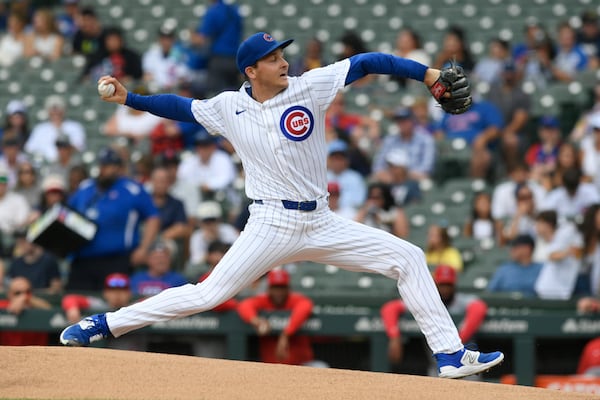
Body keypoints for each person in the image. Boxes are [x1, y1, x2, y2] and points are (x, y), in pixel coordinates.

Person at [60, 31, 503, 379]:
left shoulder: (310, 87)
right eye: (273, 59)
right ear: (252, 70)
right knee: (207, 294)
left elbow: (369, 62)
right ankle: (104, 324)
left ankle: (449, 354)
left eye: (283, 54)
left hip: (322, 220)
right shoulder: (228, 106)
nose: (284, 62)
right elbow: (180, 106)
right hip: (270, 222)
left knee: (409, 257)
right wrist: (129, 98)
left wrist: (428, 75)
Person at [66, 147, 160, 290]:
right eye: (102, 165)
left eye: (109, 165)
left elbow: (153, 217)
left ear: (119, 168)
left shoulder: (131, 189)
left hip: (116, 259)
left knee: (113, 306)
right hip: (82, 259)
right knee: (77, 300)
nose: (104, 170)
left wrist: (144, 248)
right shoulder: (86, 187)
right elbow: (66, 212)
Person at [381, 265, 487, 366]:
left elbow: (479, 307)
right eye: (442, 285)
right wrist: (395, 337)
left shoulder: (460, 300)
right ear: (435, 285)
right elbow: (390, 308)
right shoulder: (427, 302)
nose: (445, 289)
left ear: (454, 285)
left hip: (467, 364)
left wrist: (458, 341)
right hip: (436, 368)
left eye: (448, 285)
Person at [237, 269, 323, 366]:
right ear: (269, 289)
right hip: (271, 367)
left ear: (288, 288)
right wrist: (257, 321)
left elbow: (306, 306)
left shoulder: (295, 300)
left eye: (282, 287)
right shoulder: (264, 301)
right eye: (275, 288)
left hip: (301, 365)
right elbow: (244, 305)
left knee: (320, 367)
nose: (278, 292)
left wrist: (285, 334)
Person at [190, 0, 242, 94]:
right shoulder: (235, 10)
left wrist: (193, 39)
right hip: (235, 60)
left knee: (217, 96)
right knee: (234, 96)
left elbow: (202, 39)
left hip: (219, 60)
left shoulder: (213, 11)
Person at [371, 106, 435, 181]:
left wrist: (402, 175)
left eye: (404, 120)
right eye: (399, 121)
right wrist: (386, 175)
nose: (401, 124)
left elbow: (426, 170)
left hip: (414, 182)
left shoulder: (425, 140)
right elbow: (377, 167)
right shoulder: (389, 140)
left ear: (412, 120)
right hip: (390, 181)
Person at [534, 210, 583, 300]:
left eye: (539, 223)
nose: (536, 227)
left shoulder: (566, 232)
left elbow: (553, 256)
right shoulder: (550, 240)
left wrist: (567, 252)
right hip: (548, 291)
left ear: (547, 224)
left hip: (560, 291)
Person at [25, 95, 86, 163]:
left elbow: (79, 147)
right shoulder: (40, 129)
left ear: (64, 110)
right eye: (52, 109)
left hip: (68, 164)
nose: (55, 112)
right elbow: (30, 149)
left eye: (58, 108)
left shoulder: (75, 127)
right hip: (45, 165)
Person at [0, 276, 51, 346]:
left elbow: (49, 309)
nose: (23, 296)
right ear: (9, 294)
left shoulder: (38, 305)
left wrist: (26, 299)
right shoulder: (3, 305)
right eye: (18, 293)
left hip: (37, 354)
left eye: (27, 292)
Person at [142, 25, 190, 92]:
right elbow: (147, 76)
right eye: (163, 39)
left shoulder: (180, 54)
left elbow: (183, 77)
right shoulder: (151, 54)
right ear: (159, 40)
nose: (166, 42)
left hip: (176, 90)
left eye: (168, 39)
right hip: (156, 90)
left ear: (173, 40)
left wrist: (173, 84)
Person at [326, 139, 366, 211]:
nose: (337, 162)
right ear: (329, 160)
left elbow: (359, 202)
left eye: (340, 158)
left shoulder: (355, 178)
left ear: (347, 160)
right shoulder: (322, 177)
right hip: (326, 213)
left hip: (348, 214)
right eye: (334, 158)